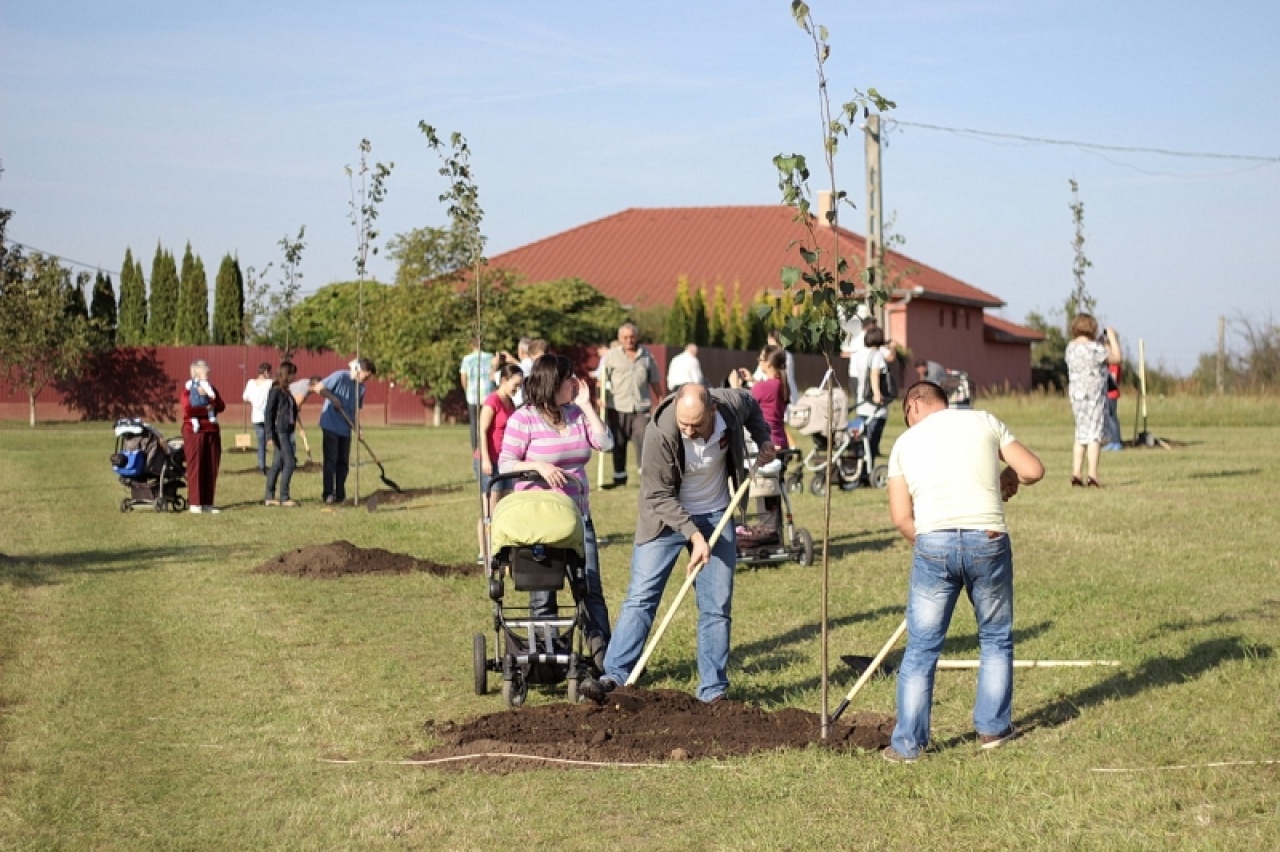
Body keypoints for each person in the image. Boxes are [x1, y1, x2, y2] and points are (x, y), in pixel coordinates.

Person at [881, 381, 1045, 762]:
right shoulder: (984, 421)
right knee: (995, 638)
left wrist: (929, 548)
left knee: (921, 649)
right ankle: (993, 729)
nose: (909, 423)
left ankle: (907, 746)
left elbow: (901, 517)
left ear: (915, 405)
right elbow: (1033, 470)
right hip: (988, 540)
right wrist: (1009, 476)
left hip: (933, 544)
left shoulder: (905, 445)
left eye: (907, 415)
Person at [582, 384, 775, 704]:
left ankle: (713, 691)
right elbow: (658, 495)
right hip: (665, 519)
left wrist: (763, 436)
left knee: (716, 605)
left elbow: (752, 405)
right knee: (642, 595)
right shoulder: (660, 432)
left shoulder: (729, 404)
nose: (687, 430)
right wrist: (694, 535)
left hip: (716, 513)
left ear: (713, 411)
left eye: (695, 425)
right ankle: (614, 676)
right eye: (683, 424)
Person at [499, 354, 614, 653]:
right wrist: (537, 465)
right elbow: (505, 464)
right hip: (539, 521)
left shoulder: (576, 414)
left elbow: (606, 443)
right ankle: (544, 655)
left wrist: (588, 405)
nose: (575, 382)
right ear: (552, 383)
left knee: (589, 587)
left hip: (577, 516)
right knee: (543, 593)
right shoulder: (523, 419)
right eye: (569, 378)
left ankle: (605, 659)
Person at [599, 322, 663, 488]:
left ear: (637, 337)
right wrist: (600, 398)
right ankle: (619, 478)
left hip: (641, 408)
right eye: (625, 337)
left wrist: (661, 400)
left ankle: (645, 478)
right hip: (618, 407)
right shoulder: (611, 356)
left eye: (632, 337)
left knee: (643, 442)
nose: (629, 340)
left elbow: (655, 381)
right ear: (620, 339)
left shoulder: (646, 355)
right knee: (618, 444)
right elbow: (602, 381)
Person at [1065, 315, 1122, 487]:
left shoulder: (1070, 348)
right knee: (1094, 436)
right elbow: (1116, 358)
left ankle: (1076, 473)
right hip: (1094, 398)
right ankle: (1092, 475)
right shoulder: (1095, 349)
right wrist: (1111, 337)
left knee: (1080, 434)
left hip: (1077, 397)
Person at [475, 363, 524, 561]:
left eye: (520, 385)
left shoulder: (510, 403)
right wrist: (486, 459)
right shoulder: (492, 401)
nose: (517, 389)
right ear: (504, 380)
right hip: (489, 461)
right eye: (516, 384)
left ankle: (498, 548)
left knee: (503, 507)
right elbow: (482, 431)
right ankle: (484, 552)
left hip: (505, 462)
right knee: (490, 509)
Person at [318, 357, 376, 505]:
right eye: (366, 376)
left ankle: (340, 494)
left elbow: (354, 411)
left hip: (345, 428)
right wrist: (332, 398)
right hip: (330, 424)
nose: (367, 379)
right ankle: (328, 494)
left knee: (343, 463)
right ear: (359, 370)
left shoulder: (361, 388)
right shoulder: (340, 376)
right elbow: (319, 388)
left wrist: (358, 428)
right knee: (331, 461)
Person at [181, 359, 227, 514]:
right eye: (205, 370)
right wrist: (206, 408)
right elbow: (188, 410)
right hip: (195, 432)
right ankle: (195, 502)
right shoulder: (188, 389)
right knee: (196, 467)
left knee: (211, 466)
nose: (208, 373)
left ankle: (208, 502)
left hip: (212, 431)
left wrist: (212, 401)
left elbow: (221, 406)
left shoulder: (210, 388)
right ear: (196, 372)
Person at [730, 344, 790, 452]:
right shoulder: (780, 384)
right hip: (780, 439)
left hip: (766, 443)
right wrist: (752, 380)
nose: (759, 361)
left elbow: (741, 403)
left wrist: (735, 386)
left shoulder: (764, 387)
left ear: (769, 363)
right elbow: (768, 393)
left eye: (761, 359)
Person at [850, 326, 893, 468]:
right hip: (874, 405)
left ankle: (859, 468)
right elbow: (875, 373)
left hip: (861, 402)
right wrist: (877, 394)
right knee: (872, 441)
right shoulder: (877, 355)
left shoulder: (860, 354)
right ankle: (868, 470)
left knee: (861, 439)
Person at [263, 361, 300, 507]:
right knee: (290, 462)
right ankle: (284, 497)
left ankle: (269, 497)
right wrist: (269, 435)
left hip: (287, 430)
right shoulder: (276, 391)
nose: (294, 377)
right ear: (286, 374)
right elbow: (269, 413)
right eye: (292, 374)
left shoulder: (286, 391)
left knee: (277, 463)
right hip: (280, 431)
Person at [460, 338, 496, 452]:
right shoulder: (490, 357)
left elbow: (463, 377)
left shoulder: (467, 359)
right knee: (488, 423)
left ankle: (476, 449)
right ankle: (488, 446)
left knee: (474, 423)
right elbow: (494, 374)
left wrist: (467, 389)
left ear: (472, 345)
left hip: (473, 395)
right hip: (488, 394)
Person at [242, 362, 273, 474]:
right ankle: (274, 465)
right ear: (265, 372)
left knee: (261, 442)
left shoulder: (251, 383)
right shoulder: (270, 383)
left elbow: (245, 397)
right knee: (272, 440)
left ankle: (261, 466)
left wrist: (254, 400)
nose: (270, 374)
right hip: (268, 416)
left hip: (255, 416)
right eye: (269, 372)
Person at [1102, 357, 1124, 451]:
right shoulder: (1108, 365)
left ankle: (1116, 442)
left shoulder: (1114, 365)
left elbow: (1113, 379)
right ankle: (1112, 441)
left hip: (1112, 394)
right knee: (1108, 418)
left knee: (1112, 417)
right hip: (1107, 394)